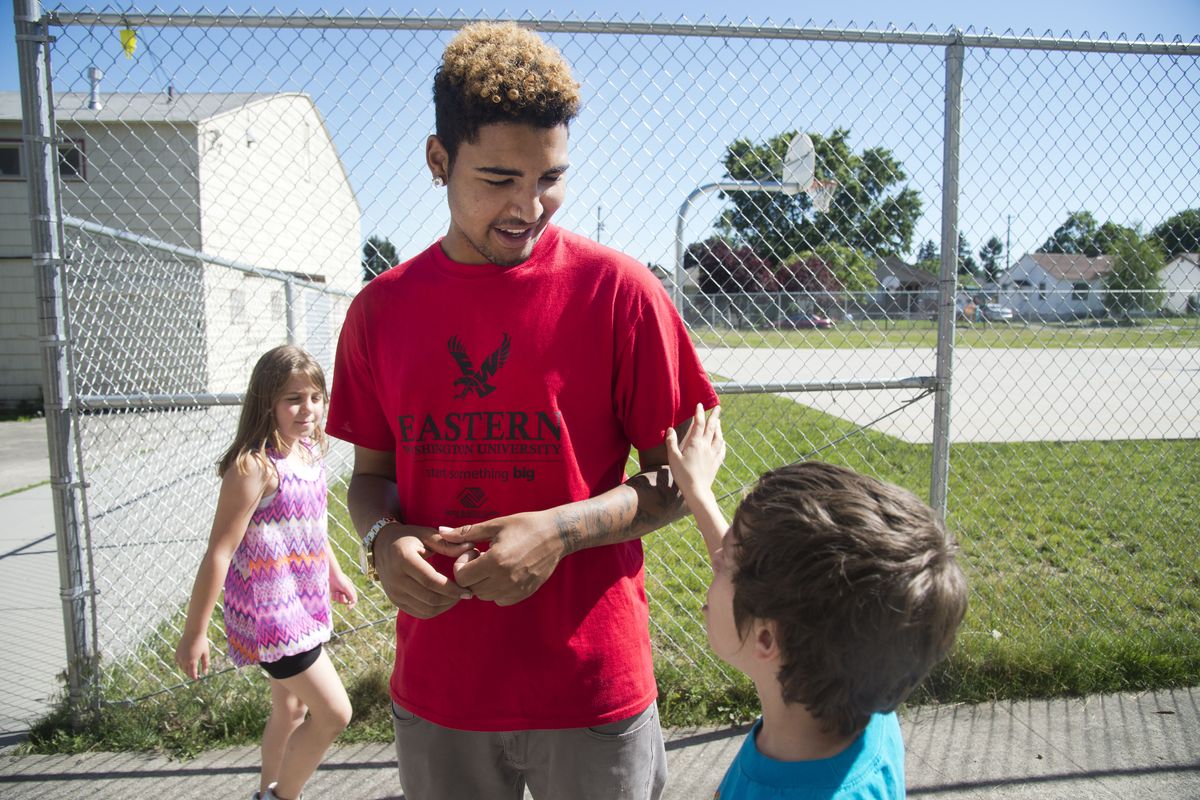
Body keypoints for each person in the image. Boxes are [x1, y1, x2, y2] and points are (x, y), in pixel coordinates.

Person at [325, 21, 718, 800]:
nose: (528, 207)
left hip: (589, 686)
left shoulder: (620, 292)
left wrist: (561, 530)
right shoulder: (380, 311)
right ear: (439, 161)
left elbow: (683, 480)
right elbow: (370, 479)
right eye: (498, 179)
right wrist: (381, 540)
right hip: (443, 690)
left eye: (549, 179)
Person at [665, 404, 968, 799]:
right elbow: (762, 591)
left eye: (728, 561)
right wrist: (698, 492)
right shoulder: (861, 703)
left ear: (767, 641)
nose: (716, 556)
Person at [175, 345, 357, 800]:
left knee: (291, 710)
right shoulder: (254, 467)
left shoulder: (307, 452)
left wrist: (333, 572)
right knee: (335, 713)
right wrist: (195, 632)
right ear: (266, 403)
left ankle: (265, 791)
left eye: (316, 397)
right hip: (274, 618)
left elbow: (313, 524)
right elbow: (219, 551)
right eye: (293, 398)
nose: (308, 409)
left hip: (305, 603)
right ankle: (280, 796)